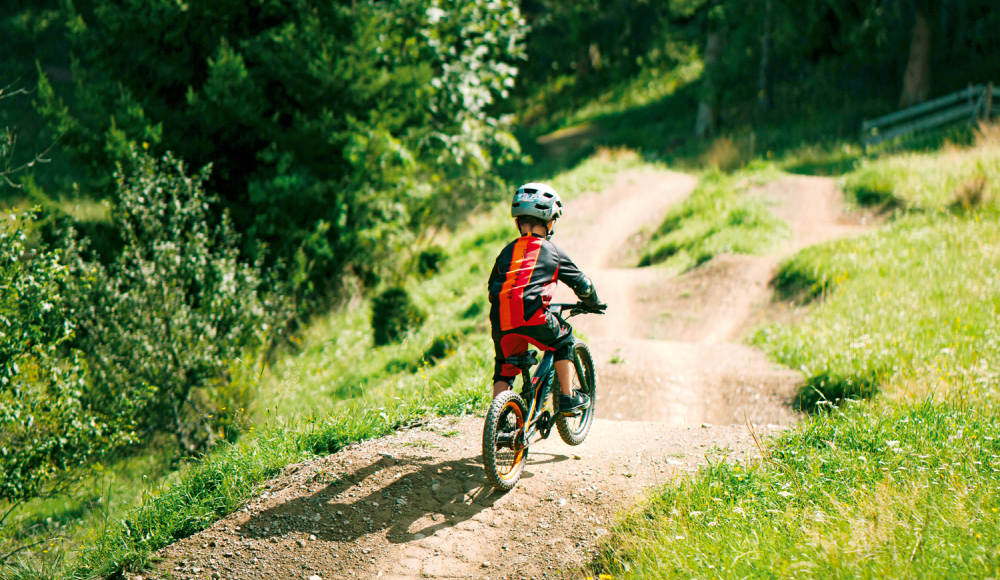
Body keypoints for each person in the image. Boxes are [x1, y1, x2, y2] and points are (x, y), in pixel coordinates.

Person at [487, 182, 604, 415]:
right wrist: (592, 302)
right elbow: (583, 284)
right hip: (534, 316)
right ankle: (568, 399)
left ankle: (499, 421)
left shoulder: (506, 252)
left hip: (501, 320)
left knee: (505, 369)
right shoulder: (552, 251)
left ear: (517, 222)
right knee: (565, 341)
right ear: (550, 221)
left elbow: (492, 285)